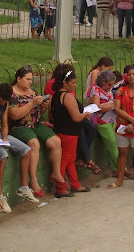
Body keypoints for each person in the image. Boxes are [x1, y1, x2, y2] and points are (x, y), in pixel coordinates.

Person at [7, 66, 67, 197]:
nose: (30, 82)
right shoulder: (11, 93)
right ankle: (33, 181)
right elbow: (15, 115)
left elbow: (38, 111)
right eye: (27, 79)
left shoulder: (31, 91)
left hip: (36, 124)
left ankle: (56, 172)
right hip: (19, 126)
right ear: (18, 79)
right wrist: (32, 103)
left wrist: (43, 106)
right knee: (34, 144)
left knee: (56, 141)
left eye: (31, 79)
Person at [0, 83, 35, 204]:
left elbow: (4, 124)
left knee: (26, 150)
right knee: (3, 156)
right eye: (0, 100)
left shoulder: (5, 104)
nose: (2, 103)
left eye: (4, 101)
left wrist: (4, 138)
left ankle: (24, 187)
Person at [50, 65, 92, 196]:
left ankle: (74, 184)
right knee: (65, 159)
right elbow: (76, 117)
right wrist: (85, 114)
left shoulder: (55, 95)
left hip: (62, 130)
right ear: (65, 83)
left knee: (70, 159)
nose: (75, 85)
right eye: (73, 83)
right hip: (69, 133)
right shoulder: (67, 97)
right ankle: (61, 187)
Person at [108, 65, 134, 193]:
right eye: (129, 74)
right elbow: (117, 108)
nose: (131, 76)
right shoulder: (121, 90)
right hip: (123, 127)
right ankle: (120, 179)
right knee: (122, 153)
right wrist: (131, 120)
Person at [86, 71, 127, 178]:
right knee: (113, 144)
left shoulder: (107, 90)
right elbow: (96, 107)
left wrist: (111, 106)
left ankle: (115, 169)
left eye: (112, 85)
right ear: (103, 81)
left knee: (116, 143)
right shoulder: (95, 90)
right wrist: (112, 105)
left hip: (112, 119)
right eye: (109, 85)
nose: (110, 87)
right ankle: (123, 169)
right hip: (100, 121)